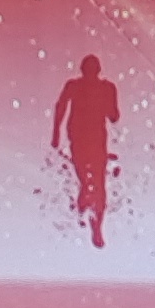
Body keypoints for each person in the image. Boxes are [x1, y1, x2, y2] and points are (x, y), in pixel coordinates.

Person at [50, 53, 122, 248]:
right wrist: (56, 132)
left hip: (84, 139)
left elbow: (61, 107)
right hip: (89, 139)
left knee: (92, 180)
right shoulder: (102, 87)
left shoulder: (80, 86)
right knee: (95, 181)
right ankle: (92, 215)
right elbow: (114, 116)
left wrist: (56, 133)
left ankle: (93, 219)